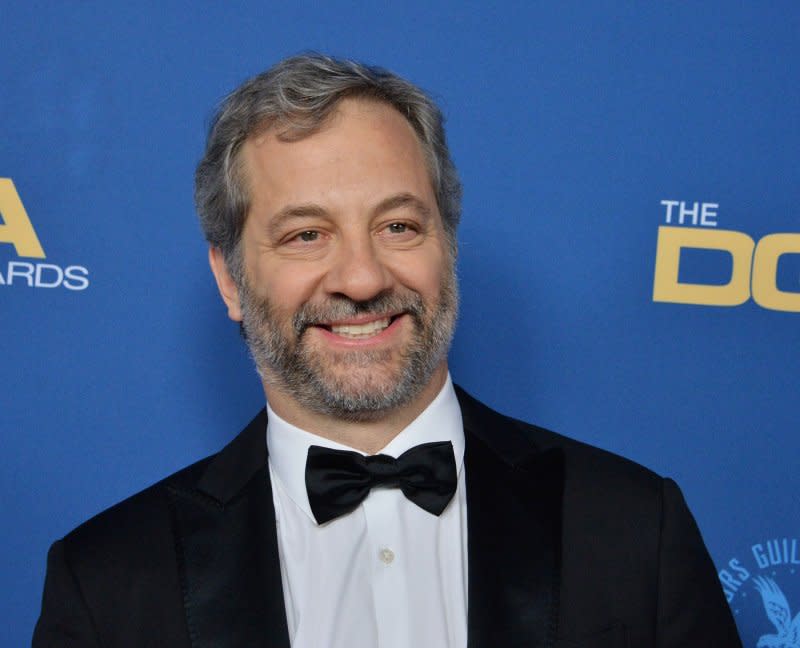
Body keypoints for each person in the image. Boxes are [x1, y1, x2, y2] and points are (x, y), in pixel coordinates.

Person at [33, 54, 742, 648]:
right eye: (306, 235)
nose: (363, 278)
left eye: (399, 225)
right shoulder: (108, 582)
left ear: (448, 244)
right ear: (229, 278)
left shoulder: (632, 531)